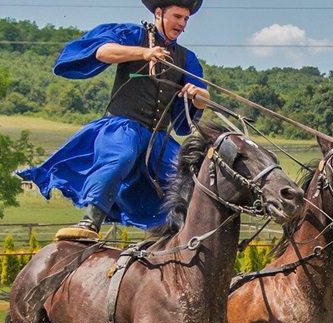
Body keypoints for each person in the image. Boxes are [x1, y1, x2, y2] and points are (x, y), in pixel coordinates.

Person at [18, 0, 211, 241]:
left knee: (189, 175)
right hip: (124, 126)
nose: (182, 24)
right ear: (159, 13)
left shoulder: (186, 58)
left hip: (158, 137)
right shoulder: (132, 34)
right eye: (178, 17)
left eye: (186, 19)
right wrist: (143, 52)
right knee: (121, 156)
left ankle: (179, 235)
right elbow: (102, 51)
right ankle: (90, 222)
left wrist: (199, 96)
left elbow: (202, 96)